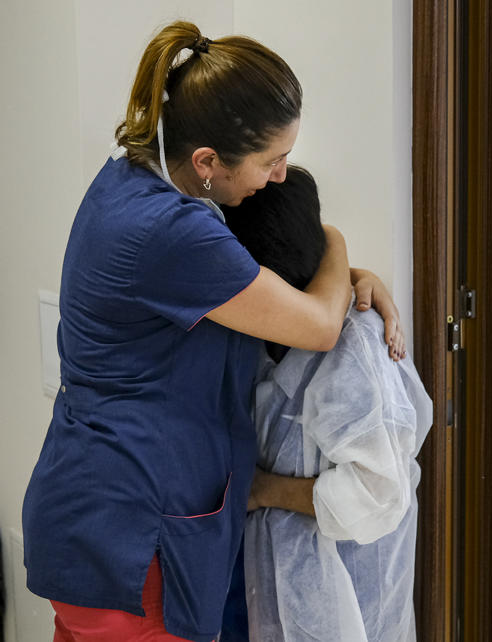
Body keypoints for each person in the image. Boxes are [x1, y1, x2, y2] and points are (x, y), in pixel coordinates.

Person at [21, 21, 403, 642]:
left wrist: (346, 273)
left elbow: (246, 294)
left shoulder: (130, 175)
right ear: (206, 162)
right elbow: (319, 326)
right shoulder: (177, 232)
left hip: (85, 513)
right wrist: (333, 240)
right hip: (131, 539)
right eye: (270, 161)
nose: (280, 176)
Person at [221, 166, 432, 642]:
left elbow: (379, 493)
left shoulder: (353, 349)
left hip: (348, 600)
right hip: (276, 584)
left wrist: (265, 491)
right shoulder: (256, 332)